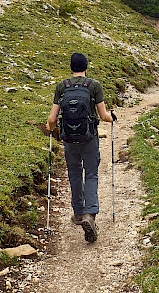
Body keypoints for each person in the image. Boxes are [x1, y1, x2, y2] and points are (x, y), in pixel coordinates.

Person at [46, 52, 116, 242]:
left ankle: (78, 213)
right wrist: (112, 118)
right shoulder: (94, 86)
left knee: (75, 174)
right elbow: (103, 116)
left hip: (69, 139)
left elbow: (52, 119)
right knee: (91, 173)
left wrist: (50, 128)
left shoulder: (62, 87)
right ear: (86, 66)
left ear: (71, 67)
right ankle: (90, 214)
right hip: (89, 138)